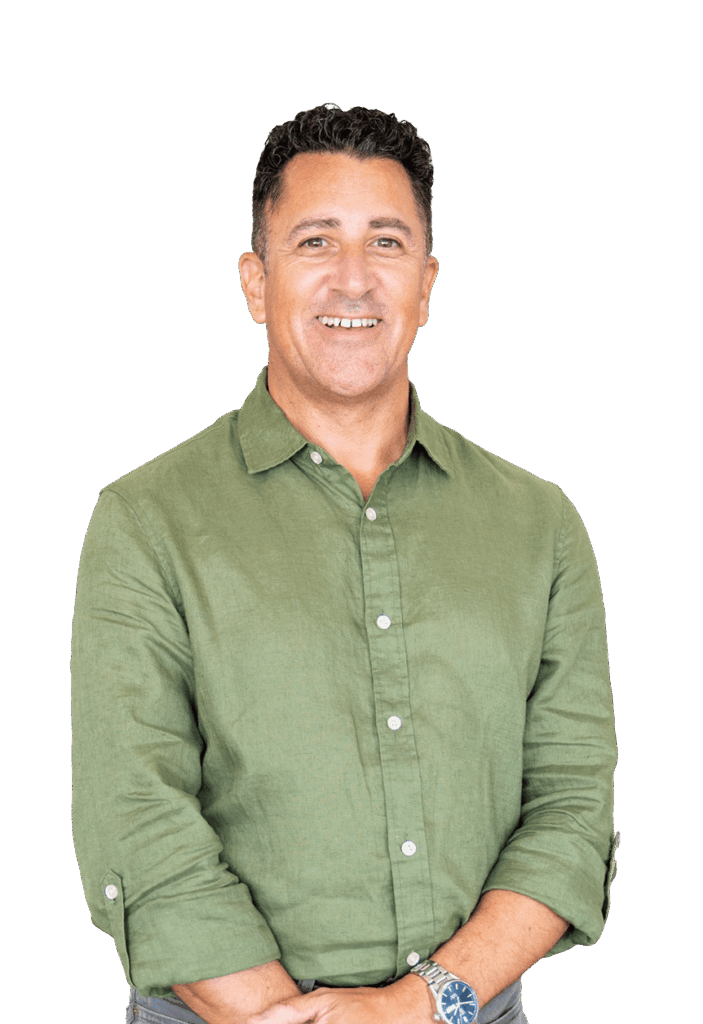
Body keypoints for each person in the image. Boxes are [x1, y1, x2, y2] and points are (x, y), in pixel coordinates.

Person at [71, 103, 619, 1024]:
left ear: (427, 284)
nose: (353, 278)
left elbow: (569, 806)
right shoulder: (146, 519)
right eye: (316, 241)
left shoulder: (541, 524)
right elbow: (136, 818)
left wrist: (423, 1003)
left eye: (386, 243)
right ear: (255, 281)